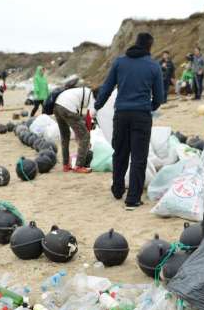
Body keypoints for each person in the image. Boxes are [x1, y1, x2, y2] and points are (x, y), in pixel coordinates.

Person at [94, 32, 164, 210]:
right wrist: (150, 107)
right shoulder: (153, 66)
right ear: (149, 46)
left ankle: (117, 190)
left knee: (120, 153)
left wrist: (97, 105)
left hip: (122, 114)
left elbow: (107, 87)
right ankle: (132, 198)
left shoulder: (120, 62)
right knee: (139, 157)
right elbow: (159, 97)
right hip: (141, 115)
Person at [53, 86, 95, 173]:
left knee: (65, 136)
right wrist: (86, 140)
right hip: (68, 107)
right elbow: (89, 117)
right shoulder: (93, 97)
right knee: (85, 135)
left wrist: (79, 134)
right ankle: (79, 166)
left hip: (57, 106)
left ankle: (66, 165)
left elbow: (79, 120)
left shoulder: (85, 91)